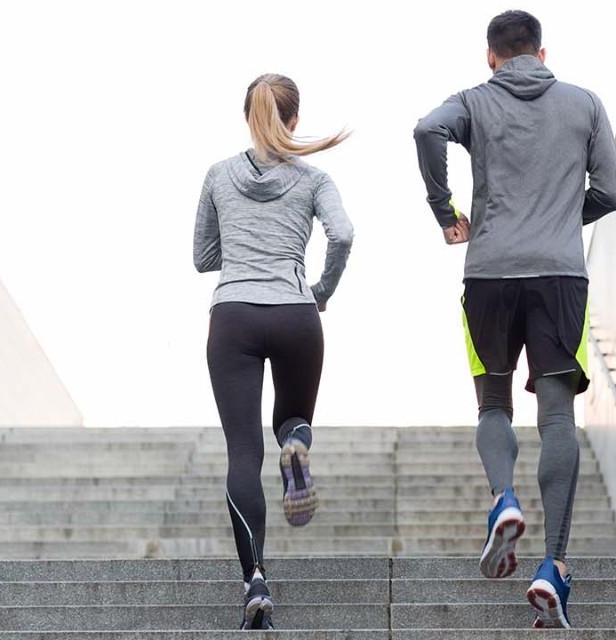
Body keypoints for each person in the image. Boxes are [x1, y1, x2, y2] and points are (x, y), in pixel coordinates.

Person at [413, 9, 616, 629]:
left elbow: (427, 130)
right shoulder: (584, 104)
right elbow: (610, 192)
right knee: (557, 414)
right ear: (542, 49)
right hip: (561, 276)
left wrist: (444, 209)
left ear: (491, 55)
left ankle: (503, 499)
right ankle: (551, 565)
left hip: (488, 274)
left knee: (493, 406)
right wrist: (561, 216)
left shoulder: (474, 101)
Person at [193, 73, 353, 631]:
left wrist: (241, 248)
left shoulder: (218, 175)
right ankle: (296, 445)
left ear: (247, 118)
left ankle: (255, 578)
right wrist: (321, 291)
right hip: (295, 312)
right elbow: (344, 235)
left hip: (233, 314)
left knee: (242, 453)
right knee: (292, 419)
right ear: (295, 120)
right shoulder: (314, 178)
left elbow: (202, 256)